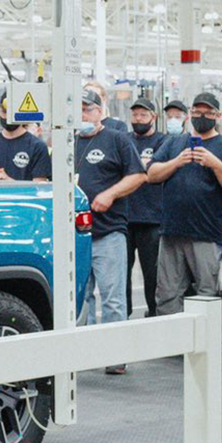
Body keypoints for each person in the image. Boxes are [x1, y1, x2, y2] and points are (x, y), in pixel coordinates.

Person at [74, 87, 146, 371]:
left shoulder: (116, 139)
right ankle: (86, 353)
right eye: (77, 109)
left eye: (88, 109)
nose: (83, 115)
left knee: (113, 299)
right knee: (81, 299)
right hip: (75, 236)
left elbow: (139, 175)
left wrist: (110, 194)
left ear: (100, 111)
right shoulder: (67, 142)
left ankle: (115, 357)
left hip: (109, 232)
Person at [147, 92, 222, 317]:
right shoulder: (174, 143)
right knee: (167, 295)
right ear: (189, 115)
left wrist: (215, 164)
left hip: (208, 235)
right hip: (172, 232)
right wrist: (176, 161)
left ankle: (208, 347)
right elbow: (152, 174)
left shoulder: (221, 145)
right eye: (197, 111)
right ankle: (172, 346)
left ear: (217, 116)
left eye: (208, 112)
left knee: (208, 295)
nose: (202, 116)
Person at [125, 98, 165, 318]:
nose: (138, 119)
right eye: (134, 115)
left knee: (153, 273)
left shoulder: (163, 142)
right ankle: (124, 313)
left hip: (152, 219)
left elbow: (152, 173)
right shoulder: (124, 140)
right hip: (125, 218)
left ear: (153, 117)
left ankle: (154, 313)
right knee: (122, 273)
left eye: (142, 115)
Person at [0, 107, 51, 182]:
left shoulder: (37, 147)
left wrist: (9, 183)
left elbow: (39, 187)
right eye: (5, 112)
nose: (8, 117)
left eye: (13, 112)